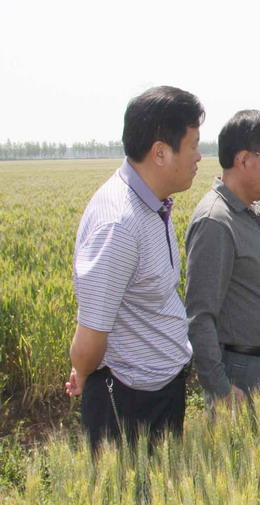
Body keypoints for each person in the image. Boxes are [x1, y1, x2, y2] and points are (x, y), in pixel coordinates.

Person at [65, 86, 204, 451]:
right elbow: (88, 341)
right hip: (129, 405)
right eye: (193, 145)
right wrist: (85, 374)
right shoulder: (119, 225)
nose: (199, 156)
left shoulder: (153, 204)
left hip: (158, 393)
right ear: (160, 152)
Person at [185, 110, 260, 405]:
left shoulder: (250, 211)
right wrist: (220, 388)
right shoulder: (216, 221)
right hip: (246, 374)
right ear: (244, 160)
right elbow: (199, 316)